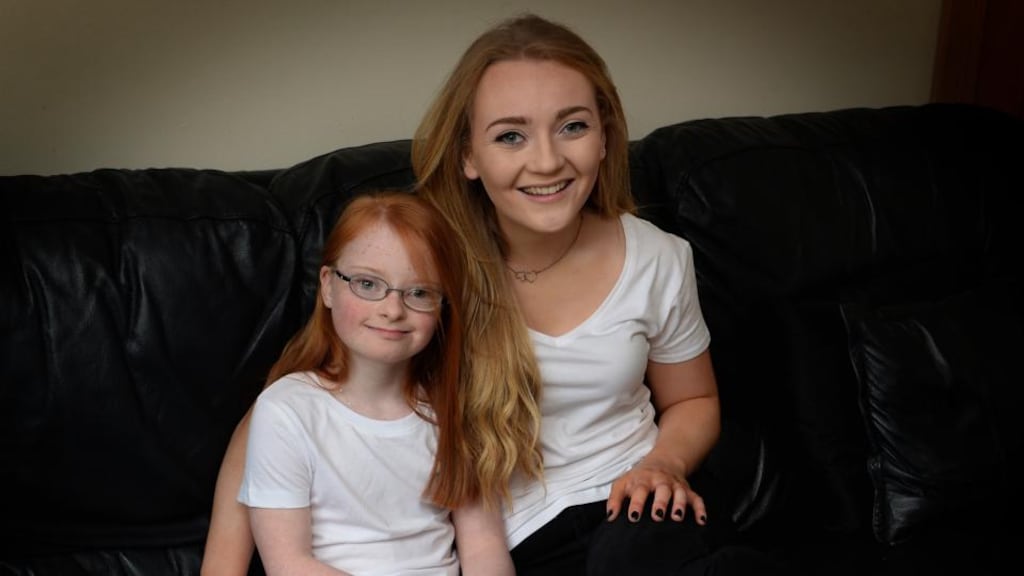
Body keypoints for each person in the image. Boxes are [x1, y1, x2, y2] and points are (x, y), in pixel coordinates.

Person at [205, 13, 780, 576]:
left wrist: (664, 465)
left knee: (635, 554)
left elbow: (693, 402)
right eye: (511, 136)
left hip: (641, 510)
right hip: (515, 538)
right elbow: (285, 409)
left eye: (573, 126)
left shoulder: (658, 257)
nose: (548, 160)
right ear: (468, 156)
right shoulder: (424, 264)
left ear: (605, 136)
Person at [217, 192, 513, 576]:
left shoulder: (454, 407)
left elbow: (484, 546)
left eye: (419, 292)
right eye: (368, 284)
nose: (392, 310)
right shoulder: (287, 411)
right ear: (327, 285)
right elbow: (288, 564)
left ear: (443, 306)